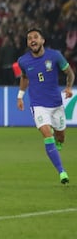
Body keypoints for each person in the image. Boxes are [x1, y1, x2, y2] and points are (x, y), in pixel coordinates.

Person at [17, 28, 75, 184]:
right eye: (29, 38)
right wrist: (20, 96)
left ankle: (59, 142)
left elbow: (70, 73)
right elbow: (24, 77)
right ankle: (62, 172)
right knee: (47, 134)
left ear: (43, 40)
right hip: (38, 105)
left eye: (36, 37)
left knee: (60, 136)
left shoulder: (55, 55)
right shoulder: (23, 61)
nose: (32, 40)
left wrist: (69, 87)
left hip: (56, 105)